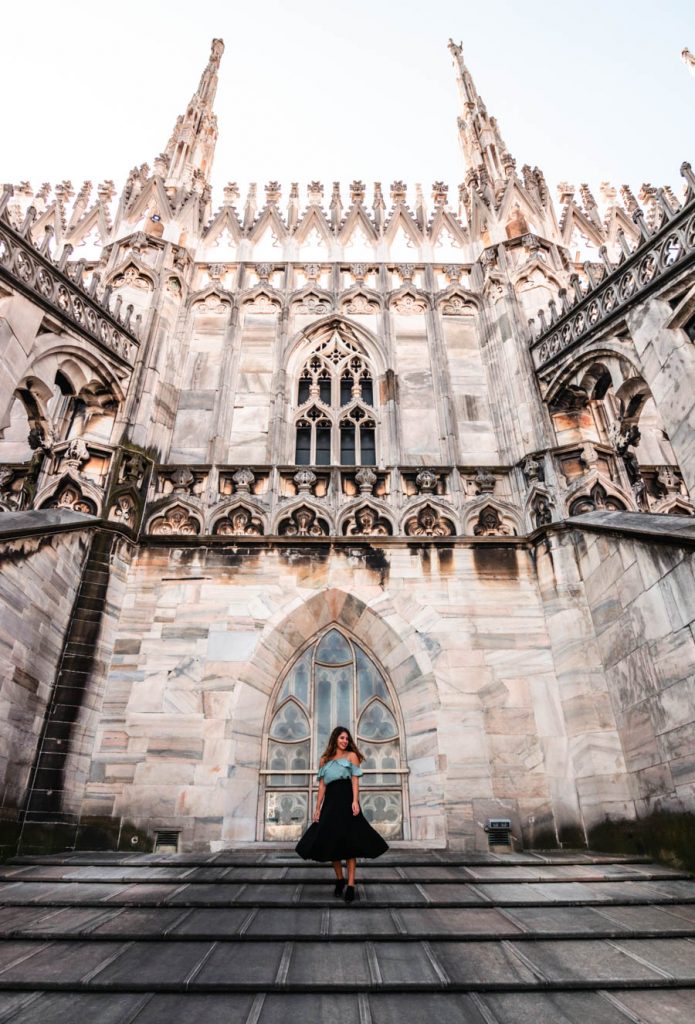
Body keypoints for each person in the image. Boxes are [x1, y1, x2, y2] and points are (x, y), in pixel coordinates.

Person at [295, 725, 388, 902]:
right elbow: (322, 786)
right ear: (335, 739)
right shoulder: (324, 760)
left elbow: (355, 781)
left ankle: (351, 885)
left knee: (350, 843)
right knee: (331, 842)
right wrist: (317, 808)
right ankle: (339, 879)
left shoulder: (352, 756)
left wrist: (355, 801)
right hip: (330, 803)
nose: (345, 741)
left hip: (347, 801)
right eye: (342, 738)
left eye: (347, 738)